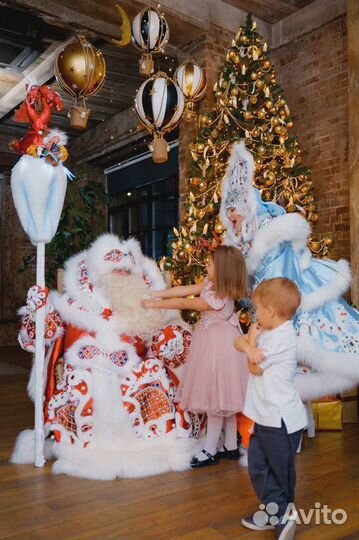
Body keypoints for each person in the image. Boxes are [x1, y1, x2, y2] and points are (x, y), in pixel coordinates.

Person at [12, 234, 197, 480]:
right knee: (81, 384)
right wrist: (38, 312)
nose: (122, 276)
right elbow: (35, 340)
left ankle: (153, 448)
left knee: (152, 374)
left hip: (132, 372)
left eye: (126, 273)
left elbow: (166, 339)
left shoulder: (147, 305)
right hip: (85, 369)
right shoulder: (73, 304)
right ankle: (85, 451)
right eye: (115, 272)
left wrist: (171, 340)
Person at [220, 141, 359, 357]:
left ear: (246, 207)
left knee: (314, 356)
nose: (230, 216)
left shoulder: (269, 234)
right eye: (227, 210)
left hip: (291, 300)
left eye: (233, 209)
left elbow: (277, 277)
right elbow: (247, 287)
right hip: (270, 309)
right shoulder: (243, 240)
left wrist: (260, 303)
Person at [142, 245, 249, 468]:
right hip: (217, 341)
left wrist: (152, 304)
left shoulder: (217, 297)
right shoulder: (212, 284)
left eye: (210, 264)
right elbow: (184, 290)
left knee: (216, 398)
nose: (206, 266)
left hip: (219, 346)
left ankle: (210, 450)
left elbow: (184, 302)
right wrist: (155, 293)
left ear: (223, 270)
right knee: (225, 397)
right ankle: (229, 445)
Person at [235, 277, 308, 540]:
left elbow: (254, 368)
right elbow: (239, 342)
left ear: (270, 312)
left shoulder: (283, 337)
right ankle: (275, 512)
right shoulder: (266, 331)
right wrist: (250, 342)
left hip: (281, 420)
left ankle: (281, 514)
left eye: (257, 309)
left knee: (280, 470)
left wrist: (251, 346)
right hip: (265, 416)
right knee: (257, 464)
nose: (255, 315)